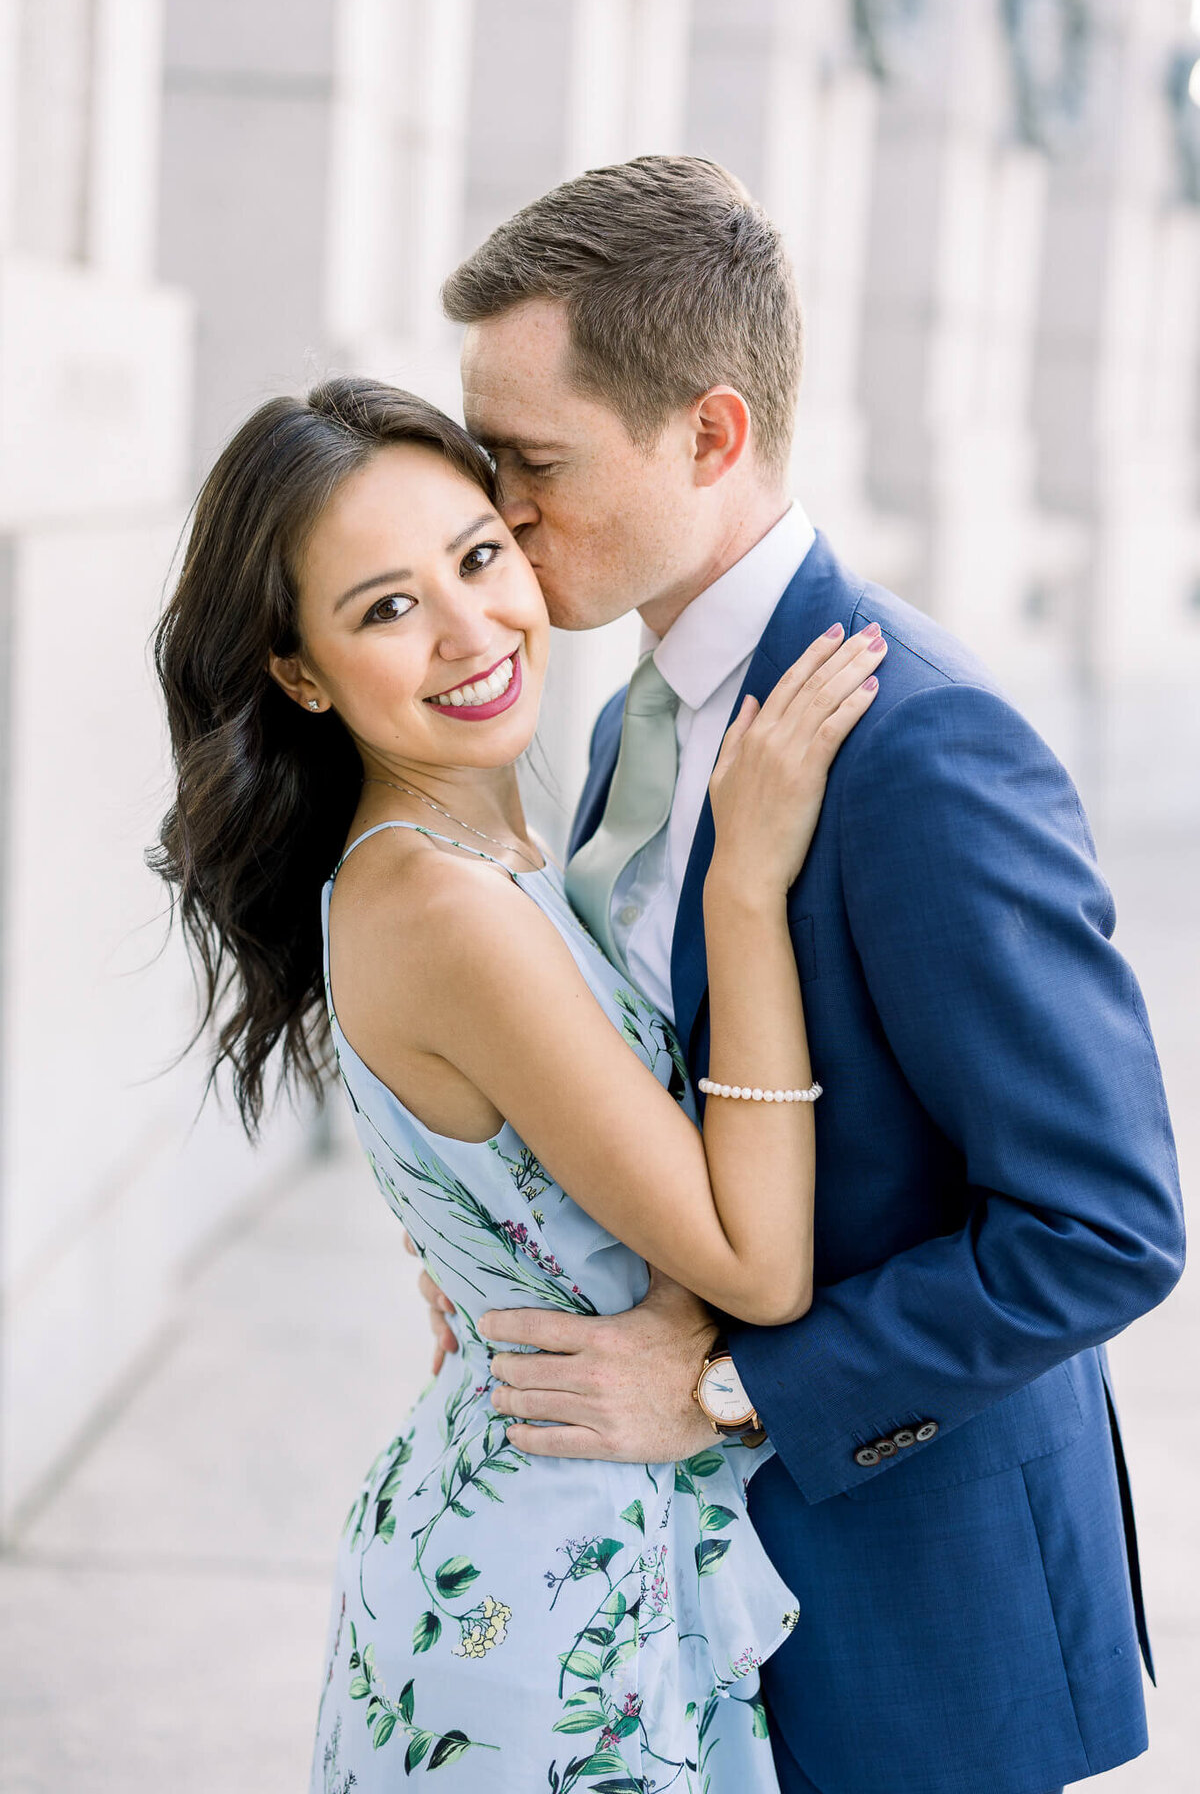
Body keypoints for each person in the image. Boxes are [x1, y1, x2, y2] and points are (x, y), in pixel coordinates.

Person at [408, 155, 1186, 1794]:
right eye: (484, 454)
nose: (497, 507)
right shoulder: (628, 723)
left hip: (914, 1628)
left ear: (710, 434)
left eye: (532, 461)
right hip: (678, 1615)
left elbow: (1105, 1226)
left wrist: (726, 1387)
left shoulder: (924, 747)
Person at [147, 375, 889, 1792]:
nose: (471, 627)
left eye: (479, 557)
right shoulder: (442, 906)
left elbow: (531, 1182)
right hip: (541, 1608)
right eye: (384, 608)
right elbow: (758, 1260)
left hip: (564, 1545)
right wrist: (747, 888)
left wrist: (517, 1263)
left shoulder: (496, 852)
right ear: (300, 673)